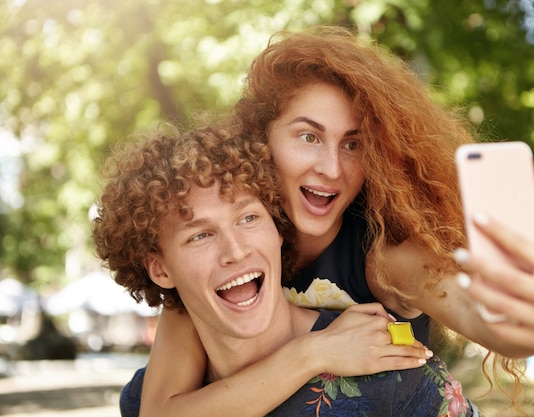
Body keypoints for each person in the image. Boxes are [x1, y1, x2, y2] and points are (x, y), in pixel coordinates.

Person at [123, 26, 534, 416]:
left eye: (352, 144)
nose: (332, 168)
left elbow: (495, 323)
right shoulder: (218, 256)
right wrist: (313, 353)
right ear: (260, 140)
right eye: (308, 137)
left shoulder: (387, 256)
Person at [92, 121, 481, 417]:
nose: (235, 251)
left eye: (248, 219)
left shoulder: (386, 368)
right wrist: (310, 354)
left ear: (278, 229)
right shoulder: (146, 399)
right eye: (200, 236)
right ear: (160, 270)